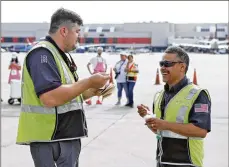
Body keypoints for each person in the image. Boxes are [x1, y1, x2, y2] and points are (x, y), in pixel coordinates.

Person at [16, 8, 110, 167]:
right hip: (51, 138)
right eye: (77, 32)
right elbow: (50, 97)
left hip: (63, 136)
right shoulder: (42, 54)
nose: (79, 37)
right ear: (64, 31)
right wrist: (88, 82)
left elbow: (66, 93)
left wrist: (92, 90)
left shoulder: (59, 55)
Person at [137, 46, 211, 167]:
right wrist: (149, 118)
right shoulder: (159, 95)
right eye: (161, 64)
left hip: (187, 163)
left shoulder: (197, 94)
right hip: (163, 161)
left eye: (167, 64)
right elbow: (161, 131)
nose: (162, 68)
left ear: (182, 67)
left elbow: (201, 131)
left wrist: (164, 124)